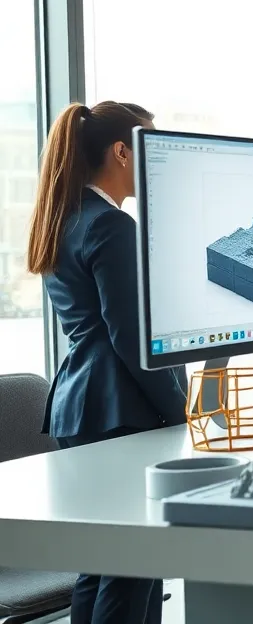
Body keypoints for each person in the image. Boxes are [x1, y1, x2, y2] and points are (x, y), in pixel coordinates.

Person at [27, 101, 187, 624]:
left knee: (101, 563)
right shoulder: (112, 226)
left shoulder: (66, 219)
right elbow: (132, 339)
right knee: (133, 563)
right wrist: (182, 410)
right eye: (150, 145)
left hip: (81, 406)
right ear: (123, 151)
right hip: (120, 408)